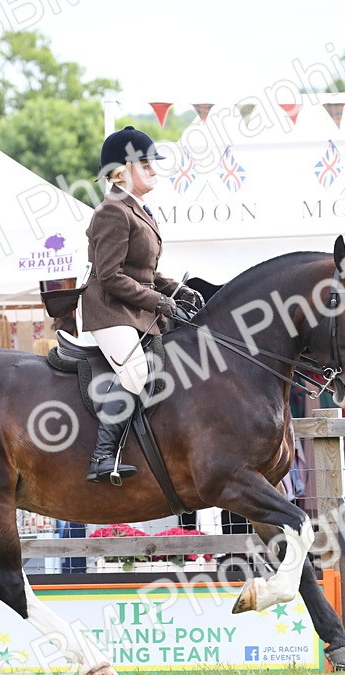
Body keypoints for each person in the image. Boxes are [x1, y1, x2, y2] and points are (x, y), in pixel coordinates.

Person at [79, 126, 202, 483]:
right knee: (136, 372)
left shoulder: (138, 210)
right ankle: (101, 457)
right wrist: (159, 300)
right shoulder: (112, 211)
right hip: (108, 310)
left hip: (135, 311)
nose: (153, 170)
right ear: (121, 171)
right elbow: (110, 275)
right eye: (145, 164)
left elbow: (143, 271)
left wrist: (177, 289)